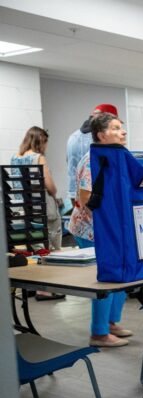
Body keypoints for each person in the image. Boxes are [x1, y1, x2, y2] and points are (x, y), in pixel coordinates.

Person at [68, 113, 133, 348]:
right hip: (90, 230)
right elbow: (85, 197)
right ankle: (99, 333)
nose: (122, 132)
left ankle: (111, 323)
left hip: (109, 229)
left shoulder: (115, 156)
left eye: (121, 128)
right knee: (106, 280)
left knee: (121, 277)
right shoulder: (90, 160)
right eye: (116, 128)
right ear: (101, 135)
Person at [11, 127, 64, 300]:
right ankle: (46, 288)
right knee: (50, 246)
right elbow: (49, 184)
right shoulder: (38, 157)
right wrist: (55, 194)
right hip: (41, 207)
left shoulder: (15, 157)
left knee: (34, 246)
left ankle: (36, 286)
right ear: (40, 141)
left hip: (22, 209)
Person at [66, 104, 119, 206]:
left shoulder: (72, 137)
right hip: (97, 202)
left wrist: (73, 199)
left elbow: (72, 172)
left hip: (77, 199)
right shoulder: (102, 139)